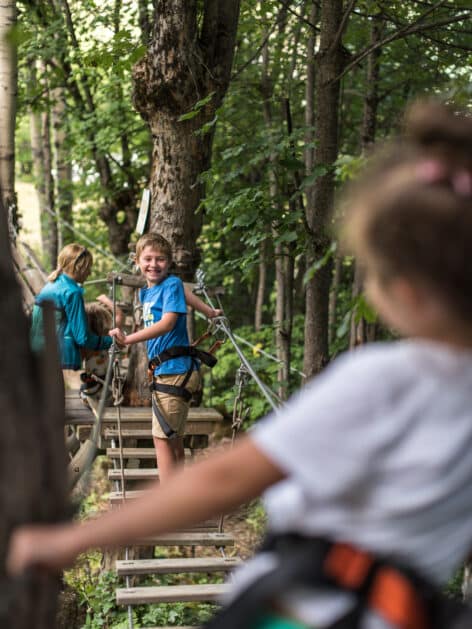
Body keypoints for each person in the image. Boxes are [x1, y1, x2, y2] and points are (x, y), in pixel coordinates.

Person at [8, 100, 472, 629]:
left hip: (308, 601)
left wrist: (73, 537)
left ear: (401, 287)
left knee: (167, 435)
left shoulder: (382, 378)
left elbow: (228, 476)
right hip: (404, 610)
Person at [109, 232, 221, 482]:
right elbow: (185, 293)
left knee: (162, 440)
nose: (153, 264)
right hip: (168, 372)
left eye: (160, 259)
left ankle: (169, 502)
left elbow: (169, 322)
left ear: (169, 263)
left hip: (175, 372)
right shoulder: (148, 292)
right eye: (147, 258)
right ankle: (179, 495)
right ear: (137, 261)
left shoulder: (170, 284)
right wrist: (208, 311)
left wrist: (128, 339)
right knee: (173, 438)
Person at [30, 244, 113, 378]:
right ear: (79, 267)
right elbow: (83, 338)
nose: (90, 272)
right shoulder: (72, 292)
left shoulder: (50, 285)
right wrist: (111, 341)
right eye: (88, 268)